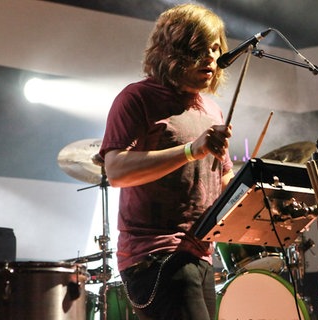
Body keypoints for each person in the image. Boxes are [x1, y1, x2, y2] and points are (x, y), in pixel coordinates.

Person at [98, 3, 234, 320]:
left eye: (216, 48)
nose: (212, 57)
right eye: (201, 48)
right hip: (155, 254)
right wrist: (190, 150)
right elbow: (116, 170)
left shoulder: (211, 110)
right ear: (174, 51)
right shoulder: (136, 98)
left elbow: (221, 180)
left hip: (200, 254)